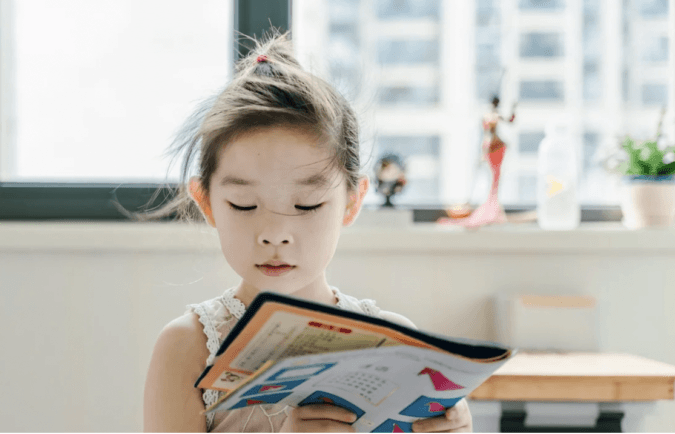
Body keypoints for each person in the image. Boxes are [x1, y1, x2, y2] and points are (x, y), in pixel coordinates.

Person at [142, 32, 473, 433]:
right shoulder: (188, 348)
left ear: (352, 202)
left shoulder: (397, 346)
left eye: (307, 205)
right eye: (244, 206)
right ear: (206, 201)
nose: (275, 234)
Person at [437, 95, 516, 228]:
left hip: (495, 146)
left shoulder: (493, 116)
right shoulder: (490, 116)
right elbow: (492, 129)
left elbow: (510, 121)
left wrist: (513, 109)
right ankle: (489, 207)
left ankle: (493, 207)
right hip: (491, 146)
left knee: (496, 178)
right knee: (492, 177)